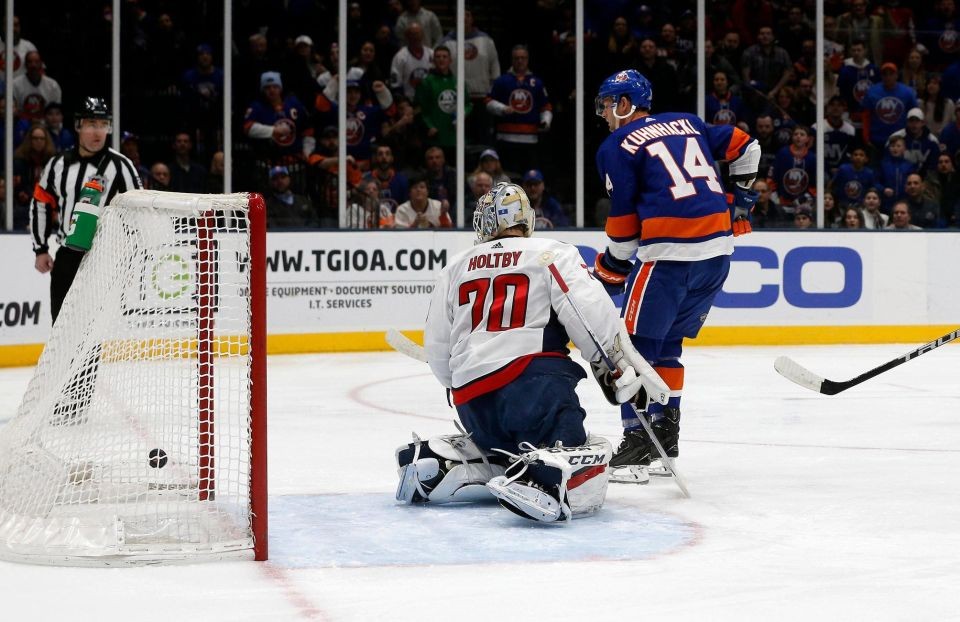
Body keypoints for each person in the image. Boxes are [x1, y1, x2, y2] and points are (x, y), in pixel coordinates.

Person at [400, 182, 669, 522]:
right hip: (534, 390)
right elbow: (587, 314)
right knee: (572, 443)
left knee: (502, 448)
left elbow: (438, 348)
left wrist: (457, 382)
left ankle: (447, 460)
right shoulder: (551, 252)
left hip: (473, 404)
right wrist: (613, 366)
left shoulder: (456, 266)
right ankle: (545, 477)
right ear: (525, 219)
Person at [592, 69, 759, 481]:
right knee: (668, 346)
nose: (604, 115)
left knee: (631, 349)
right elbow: (748, 146)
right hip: (718, 253)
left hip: (669, 256)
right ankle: (666, 436)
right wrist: (741, 202)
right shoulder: (689, 121)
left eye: (608, 105)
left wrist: (610, 268)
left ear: (626, 103)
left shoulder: (616, 144)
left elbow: (625, 228)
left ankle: (637, 446)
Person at [28, 97, 142, 425]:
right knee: (62, 328)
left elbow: (140, 209)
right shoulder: (57, 165)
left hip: (102, 259)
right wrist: (40, 248)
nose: (97, 131)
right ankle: (61, 391)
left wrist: (131, 253)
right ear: (78, 126)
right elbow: (40, 203)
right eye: (91, 124)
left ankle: (78, 398)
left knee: (89, 331)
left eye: (103, 124)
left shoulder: (120, 166)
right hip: (66, 256)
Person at [485, 45, 553, 174]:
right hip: (506, 140)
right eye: (517, 58)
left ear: (527, 59)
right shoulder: (501, 81)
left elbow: (546, 107)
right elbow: (488, 102)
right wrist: (502, 108)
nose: (520, 61)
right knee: (509, 177)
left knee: (530, 177)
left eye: (523, 58)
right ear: (512, 60)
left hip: (530, 140)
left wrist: (546, 121)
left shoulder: (537, 83)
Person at [11, 51, 62, 121]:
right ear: (25, 65)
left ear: (41, 64)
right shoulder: (15, 85)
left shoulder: (53, 85)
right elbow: (13, 111)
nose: (33, 65)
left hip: (46, 125)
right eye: (30, 62)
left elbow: (56, 113)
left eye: (36, 62)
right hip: (23, 124)